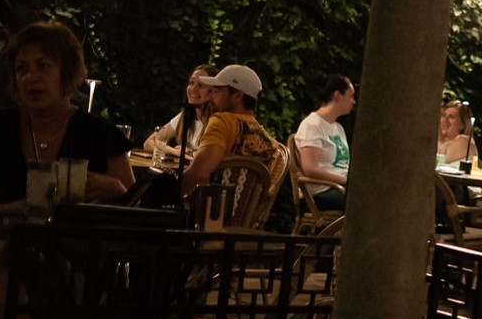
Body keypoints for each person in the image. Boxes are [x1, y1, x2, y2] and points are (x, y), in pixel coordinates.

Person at [0, 23, 134, 312]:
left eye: (43, 66)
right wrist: (15, 209)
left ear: (68, 73)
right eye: (22, 68)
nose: (31, 77)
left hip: (78, 264)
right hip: (0, 252)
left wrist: (118, 190)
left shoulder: (98, 134)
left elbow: (137, 218)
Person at [181, 64, 278, 196]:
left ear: (237, 95)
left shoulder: (222, 122)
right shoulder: (268, 142)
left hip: (210, 207)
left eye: (217, 90)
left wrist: (168, 194)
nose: (210, 96)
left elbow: (198, 174)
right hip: (243, 209)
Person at [294, 74, 355, 210]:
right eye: (351, 96)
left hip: (340, 188)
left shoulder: (338, 128)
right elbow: (310, 169)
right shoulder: (312, 125)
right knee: (367, 204)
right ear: (337, 95)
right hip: (320, 192)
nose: (353, 102)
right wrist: (346, 181)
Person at [142, 64, 217, 161]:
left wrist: (186, 154)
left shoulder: (216, 121)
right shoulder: (185, 115)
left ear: (213, 91)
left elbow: (207, 158)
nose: (194, 88)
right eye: (191, 82)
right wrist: (175, 152)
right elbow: (149, 143)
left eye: (201, 85)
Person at [437, 100, 476, 164]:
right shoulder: (440, 143)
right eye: (443, 115)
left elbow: (439, 163)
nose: (445, 120)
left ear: (462, 124)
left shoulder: (464, 141)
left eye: (451, 117)